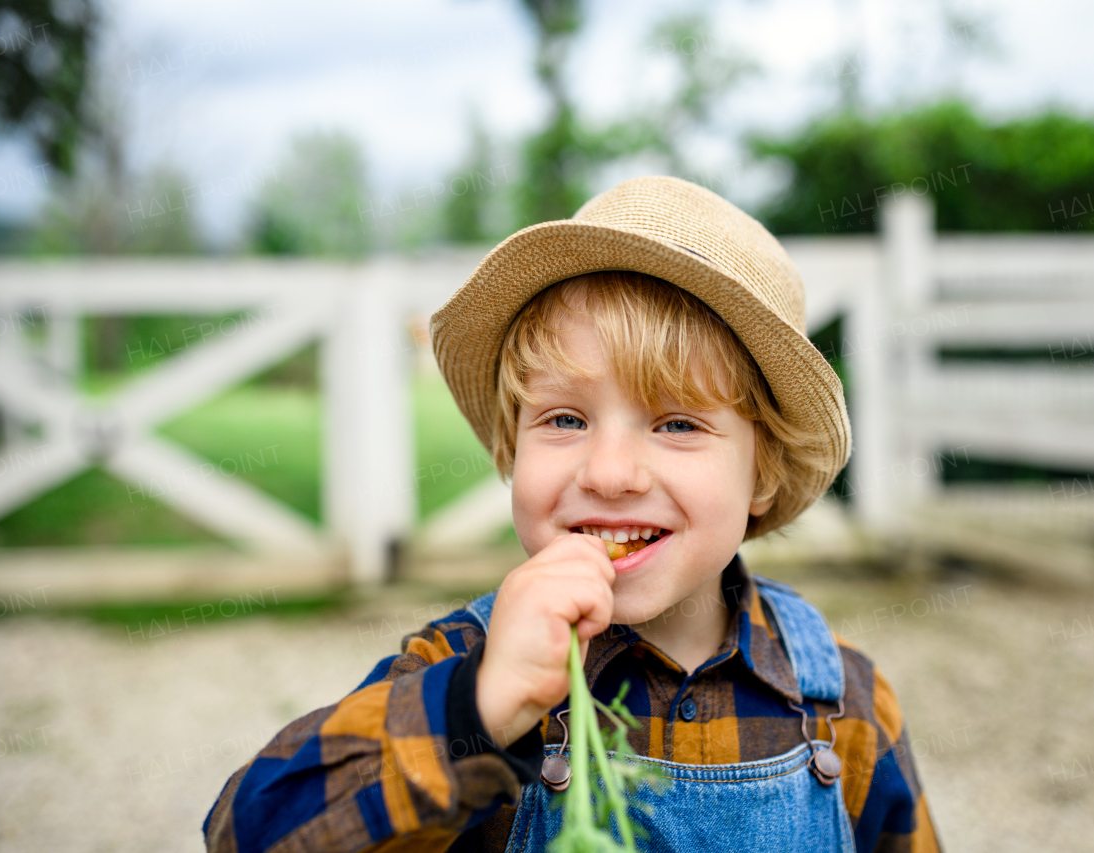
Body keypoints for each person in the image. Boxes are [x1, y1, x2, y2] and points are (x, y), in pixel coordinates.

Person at [203, 176, 941, 852]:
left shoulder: (841, 701)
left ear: (762, 472)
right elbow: (245, 831)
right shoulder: (462, 665)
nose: (610, 473)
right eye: (564, 419)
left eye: (677, 423)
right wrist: (477, 711)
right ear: (512, 446)